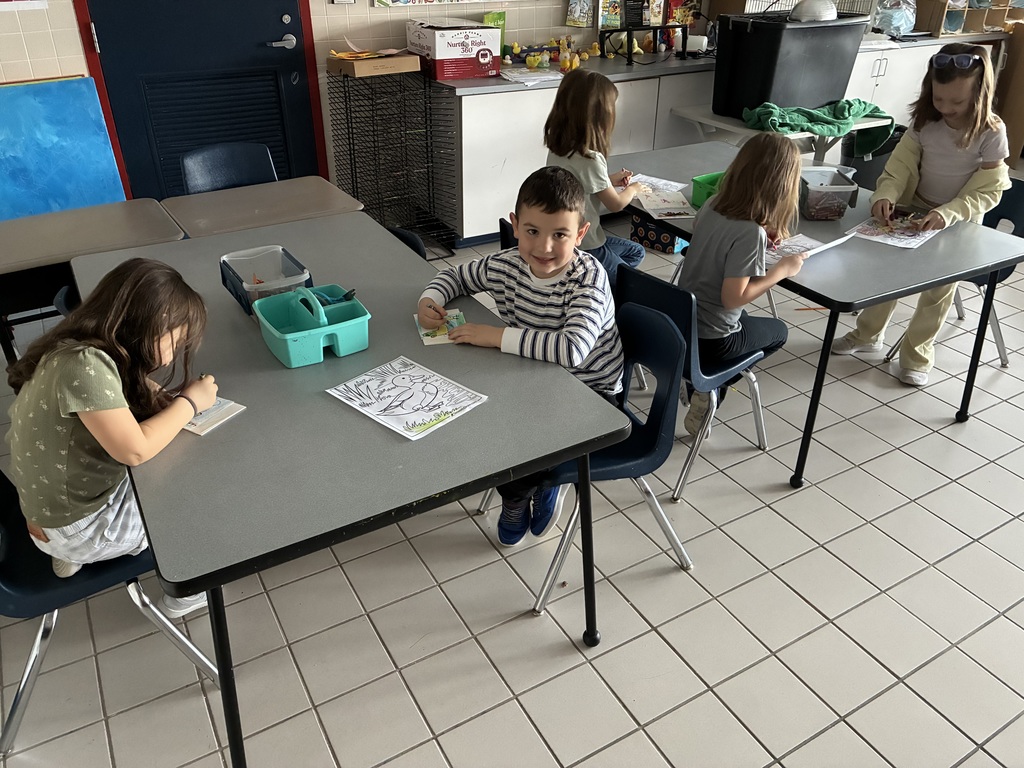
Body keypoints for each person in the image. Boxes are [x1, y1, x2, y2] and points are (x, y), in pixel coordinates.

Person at [417, 166, 624, 547]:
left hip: (590, 394)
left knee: (515, 442)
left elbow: (572, 350)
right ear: (515, 225)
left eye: (560, 234)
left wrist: (496, 337)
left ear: (580, 233)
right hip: (530, 378)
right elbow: (457, 276)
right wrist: (429, 299)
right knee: (482, 424)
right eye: (532, 231)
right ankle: (532, 484)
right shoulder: (507, 263)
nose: (544, 247)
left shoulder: (588, 278)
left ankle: (524, 494)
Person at [5, 258, 217, 618]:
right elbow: (135, 450)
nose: (171, 357)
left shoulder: (77, 346)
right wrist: (190, 402)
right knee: (194, 485)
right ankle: (185, 592)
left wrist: (153, 394)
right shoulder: (86, 368)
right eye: (176, 340)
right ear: (149, 330)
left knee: (164, 448)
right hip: (80, 527)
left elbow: (110, 392)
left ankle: (66, 553)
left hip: (48, 511)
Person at [832, 42, 1011, 386]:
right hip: (914, 210)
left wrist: (949, 213)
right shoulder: (925, 121)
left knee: (938, 291)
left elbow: (990, 189)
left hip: (958, 221)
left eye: (957, 102)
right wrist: (886, 193)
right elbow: (899, 166)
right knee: (886, 274)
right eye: (939, 99)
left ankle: (916, 356)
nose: (946, 108)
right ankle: (868, 335)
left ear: (979, 94)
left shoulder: (991, 132)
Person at [674, 133, 806, 438]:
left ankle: (700, 382)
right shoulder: (749, 233)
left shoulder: (713, 203)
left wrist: (762, 230)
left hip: (683, 327)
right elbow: (733, 298)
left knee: (746, 322)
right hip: (714, 342)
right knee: (779, 331)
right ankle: (709, 386)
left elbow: (715, 244)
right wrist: (781, 271)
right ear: (782, 187)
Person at [543, 68, 646, 289]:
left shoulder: (558, 149)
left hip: (566, 241)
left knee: (635, 251)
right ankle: (598, 290)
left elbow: (576, 184)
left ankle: (591, 285)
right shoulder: (591, 158)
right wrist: (634, 188)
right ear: (600, 117)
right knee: (630, 280)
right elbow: (616, 204)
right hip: (588, 246)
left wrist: (609, 180)